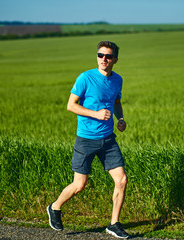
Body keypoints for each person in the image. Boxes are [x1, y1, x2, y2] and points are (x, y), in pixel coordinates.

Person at [47, 41, 129, 239]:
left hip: (108, 139)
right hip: (86, 139)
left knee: (121, 180)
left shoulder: (117, 80)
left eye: (108, 56)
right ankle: (55, 207)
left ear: (115, 60)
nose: (103, 59)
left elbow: (116, 102)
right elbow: (71, 106)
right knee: (79, 185)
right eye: (100, 55)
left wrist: (121, 118)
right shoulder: (85, 78)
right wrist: (96, 114)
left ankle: (114, 224)